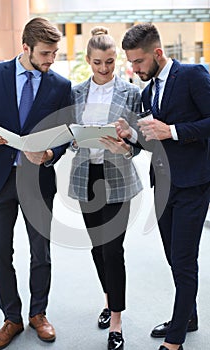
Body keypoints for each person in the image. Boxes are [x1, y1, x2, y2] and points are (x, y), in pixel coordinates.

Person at [110, 23, 210, 350]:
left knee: (183, 260)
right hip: (164, 186)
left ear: (157, 53)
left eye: (138, 62)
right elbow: (150, 141)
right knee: (172, 257)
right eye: (130, 63)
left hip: (194, 183)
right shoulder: (148, 91)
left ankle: (175, 339)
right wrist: (131, 136)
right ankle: (188, 316)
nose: (133, 69)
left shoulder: (193, 75)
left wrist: (174, 131)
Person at [0, 17, 72, 349]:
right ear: (26, 48)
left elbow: (67, 133)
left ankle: (38, 314)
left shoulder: (60, 86)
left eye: (54, 54)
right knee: (0, 252)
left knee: (40, 252)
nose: (50, 60)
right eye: (45, 54)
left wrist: (49, 153)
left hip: (38, 181)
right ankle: (12, 318)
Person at [68, 26, 142, 350]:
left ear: (117, 60)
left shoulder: (130, 93)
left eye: (110, 62)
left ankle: (116, 322)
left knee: (113, 249)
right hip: (87, 177)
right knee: (97, 249)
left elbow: (139, 142)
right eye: (98, 62)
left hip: (118, 179)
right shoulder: (75, 94)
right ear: (88, 60)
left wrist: (125, 145)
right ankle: (108, 299)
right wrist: (73, 138)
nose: (104, 69)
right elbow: (69, 138)